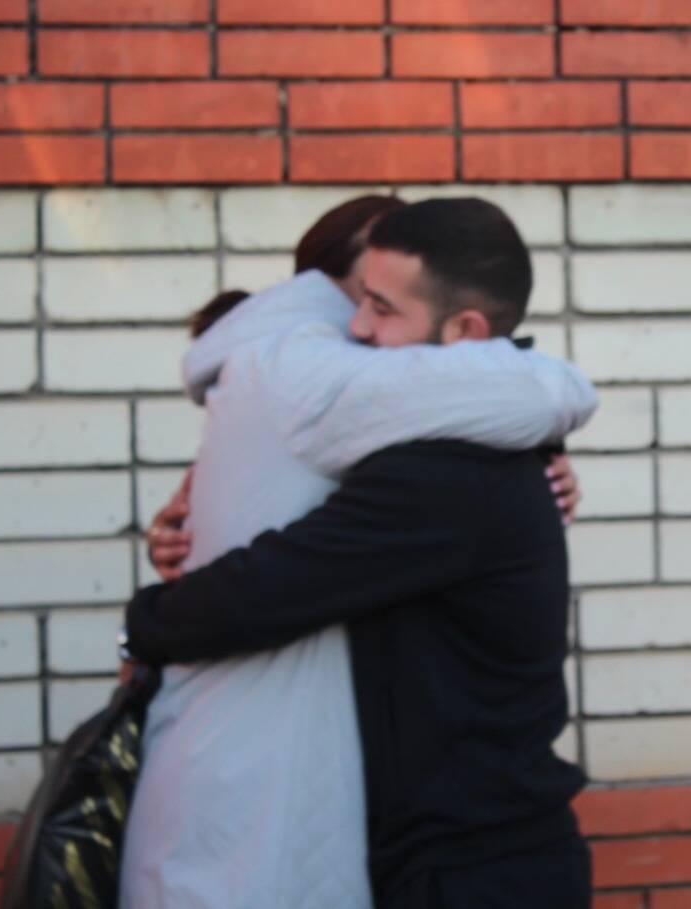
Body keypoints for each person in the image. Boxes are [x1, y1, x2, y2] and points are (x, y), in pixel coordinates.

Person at [119, 197, 595, 909]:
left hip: (477, 866)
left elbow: (267, 588)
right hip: (449, 852)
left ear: (466, 336)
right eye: (358, 301)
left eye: (381, 308)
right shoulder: (433, 449)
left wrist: (147, 621)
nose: (357, 330)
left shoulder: (450, 474)